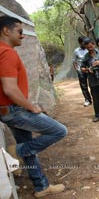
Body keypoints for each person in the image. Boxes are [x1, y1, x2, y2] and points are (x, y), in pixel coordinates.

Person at [0, 15, 67, 198]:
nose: (23, 36)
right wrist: (31, 106)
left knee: (29, 146)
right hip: (14, 110)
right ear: (6, 30)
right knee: (59, 131)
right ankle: (16, 152)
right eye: (20, 31)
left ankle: (41, 186)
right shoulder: (6, 53)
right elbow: (9, 89)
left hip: (9, 110)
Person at [73, 36, 92, 107]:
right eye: (83, 43)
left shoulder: (89, 49)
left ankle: (96, 98)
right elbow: (74, 61)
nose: (85, 44)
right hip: (81, 70)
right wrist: (77, 70)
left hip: (89, 69)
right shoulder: (76, 51)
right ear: (80, 43)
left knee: (92, 84)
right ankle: (87, 99)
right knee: (84, 85)